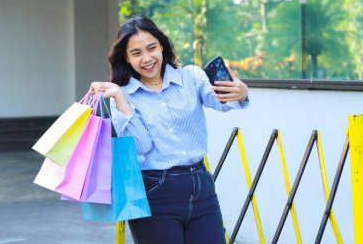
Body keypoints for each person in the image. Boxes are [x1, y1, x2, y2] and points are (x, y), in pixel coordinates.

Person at [89, 16, 249, 244]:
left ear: (162, 45)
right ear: (126, 57)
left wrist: (240, 93)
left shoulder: (191, 78)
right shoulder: (121, 95)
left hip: (200, 185)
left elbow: (224, 102)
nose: (146, 58)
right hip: (154, 190)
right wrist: (121, 100)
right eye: (136, 53)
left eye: (151, 48)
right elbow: (142, 146)